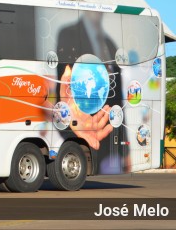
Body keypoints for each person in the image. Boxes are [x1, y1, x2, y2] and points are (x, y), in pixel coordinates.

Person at [54, 10, 127, 174]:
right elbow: (60, 86)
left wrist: (125, 149)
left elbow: (119, 101)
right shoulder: (68, 34)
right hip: (82, 128)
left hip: (106, 131)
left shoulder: (109, 44)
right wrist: (70, 123)